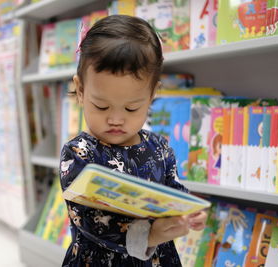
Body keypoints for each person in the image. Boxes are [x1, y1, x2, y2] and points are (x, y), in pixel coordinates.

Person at [59, 15, 207, 267]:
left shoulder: (159, 147)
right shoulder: (79, 153)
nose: (116, 119)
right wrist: (148, 234)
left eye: (131, 108)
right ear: (81, 90)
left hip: (158, 258)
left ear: (152, 95)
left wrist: (187, 212)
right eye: (102, 106)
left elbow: (172, 190)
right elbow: (87, 218)